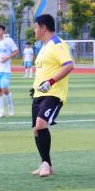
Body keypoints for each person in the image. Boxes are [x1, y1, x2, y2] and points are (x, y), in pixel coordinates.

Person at [30, 14, 75, 178]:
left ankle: (45, 164)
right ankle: (46, 163)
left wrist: (50, 82)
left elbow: (69, 65)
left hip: (53, 93)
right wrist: (34, 88)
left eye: (36, 27)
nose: (34, 30)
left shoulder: (57, 44)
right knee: (36, 130)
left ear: (43, 28)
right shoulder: (44, 46)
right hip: (38, 94)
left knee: (41, 124)